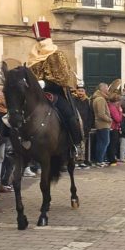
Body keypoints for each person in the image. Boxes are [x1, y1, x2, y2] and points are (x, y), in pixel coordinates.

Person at [27, 21, 82, 152]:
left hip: (54, 92)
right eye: (38, 39)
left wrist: (45, 83)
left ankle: (76, 143)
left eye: (43, 39)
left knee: (70, 115)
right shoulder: (32, 57)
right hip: (35, 94)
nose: (40, 42)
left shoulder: (57, 55)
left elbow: (64, 77)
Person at [73, 83, 94, 168]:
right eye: (79, 91)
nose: (80, 93)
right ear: (76, 91)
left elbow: (91, 115)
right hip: (75, 126)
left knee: (83, 145)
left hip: (85, 127)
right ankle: (75, 161)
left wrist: (88, 126)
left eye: (82, 91)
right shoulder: (73, 100)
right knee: (76, 145)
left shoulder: (88, 101)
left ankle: (82, 160)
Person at [91, 83, 112, 167]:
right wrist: (110, 119)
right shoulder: (100, 99)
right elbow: (101, 114)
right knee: (104, 142)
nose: (108, 90)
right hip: (102, 124)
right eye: (107, 88)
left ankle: (101, 159)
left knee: (102, 142)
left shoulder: (99, 98)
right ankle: (99, 160)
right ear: (103, 89)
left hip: (102, 124)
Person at [107, 92, 123, 166]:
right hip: (113, 128)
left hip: (113, 128)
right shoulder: (113, 108)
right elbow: (118, 119)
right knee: (113, 144)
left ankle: (113, 159)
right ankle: (112, 160)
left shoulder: (110, 106)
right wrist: (120, 111)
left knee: (112, 144)